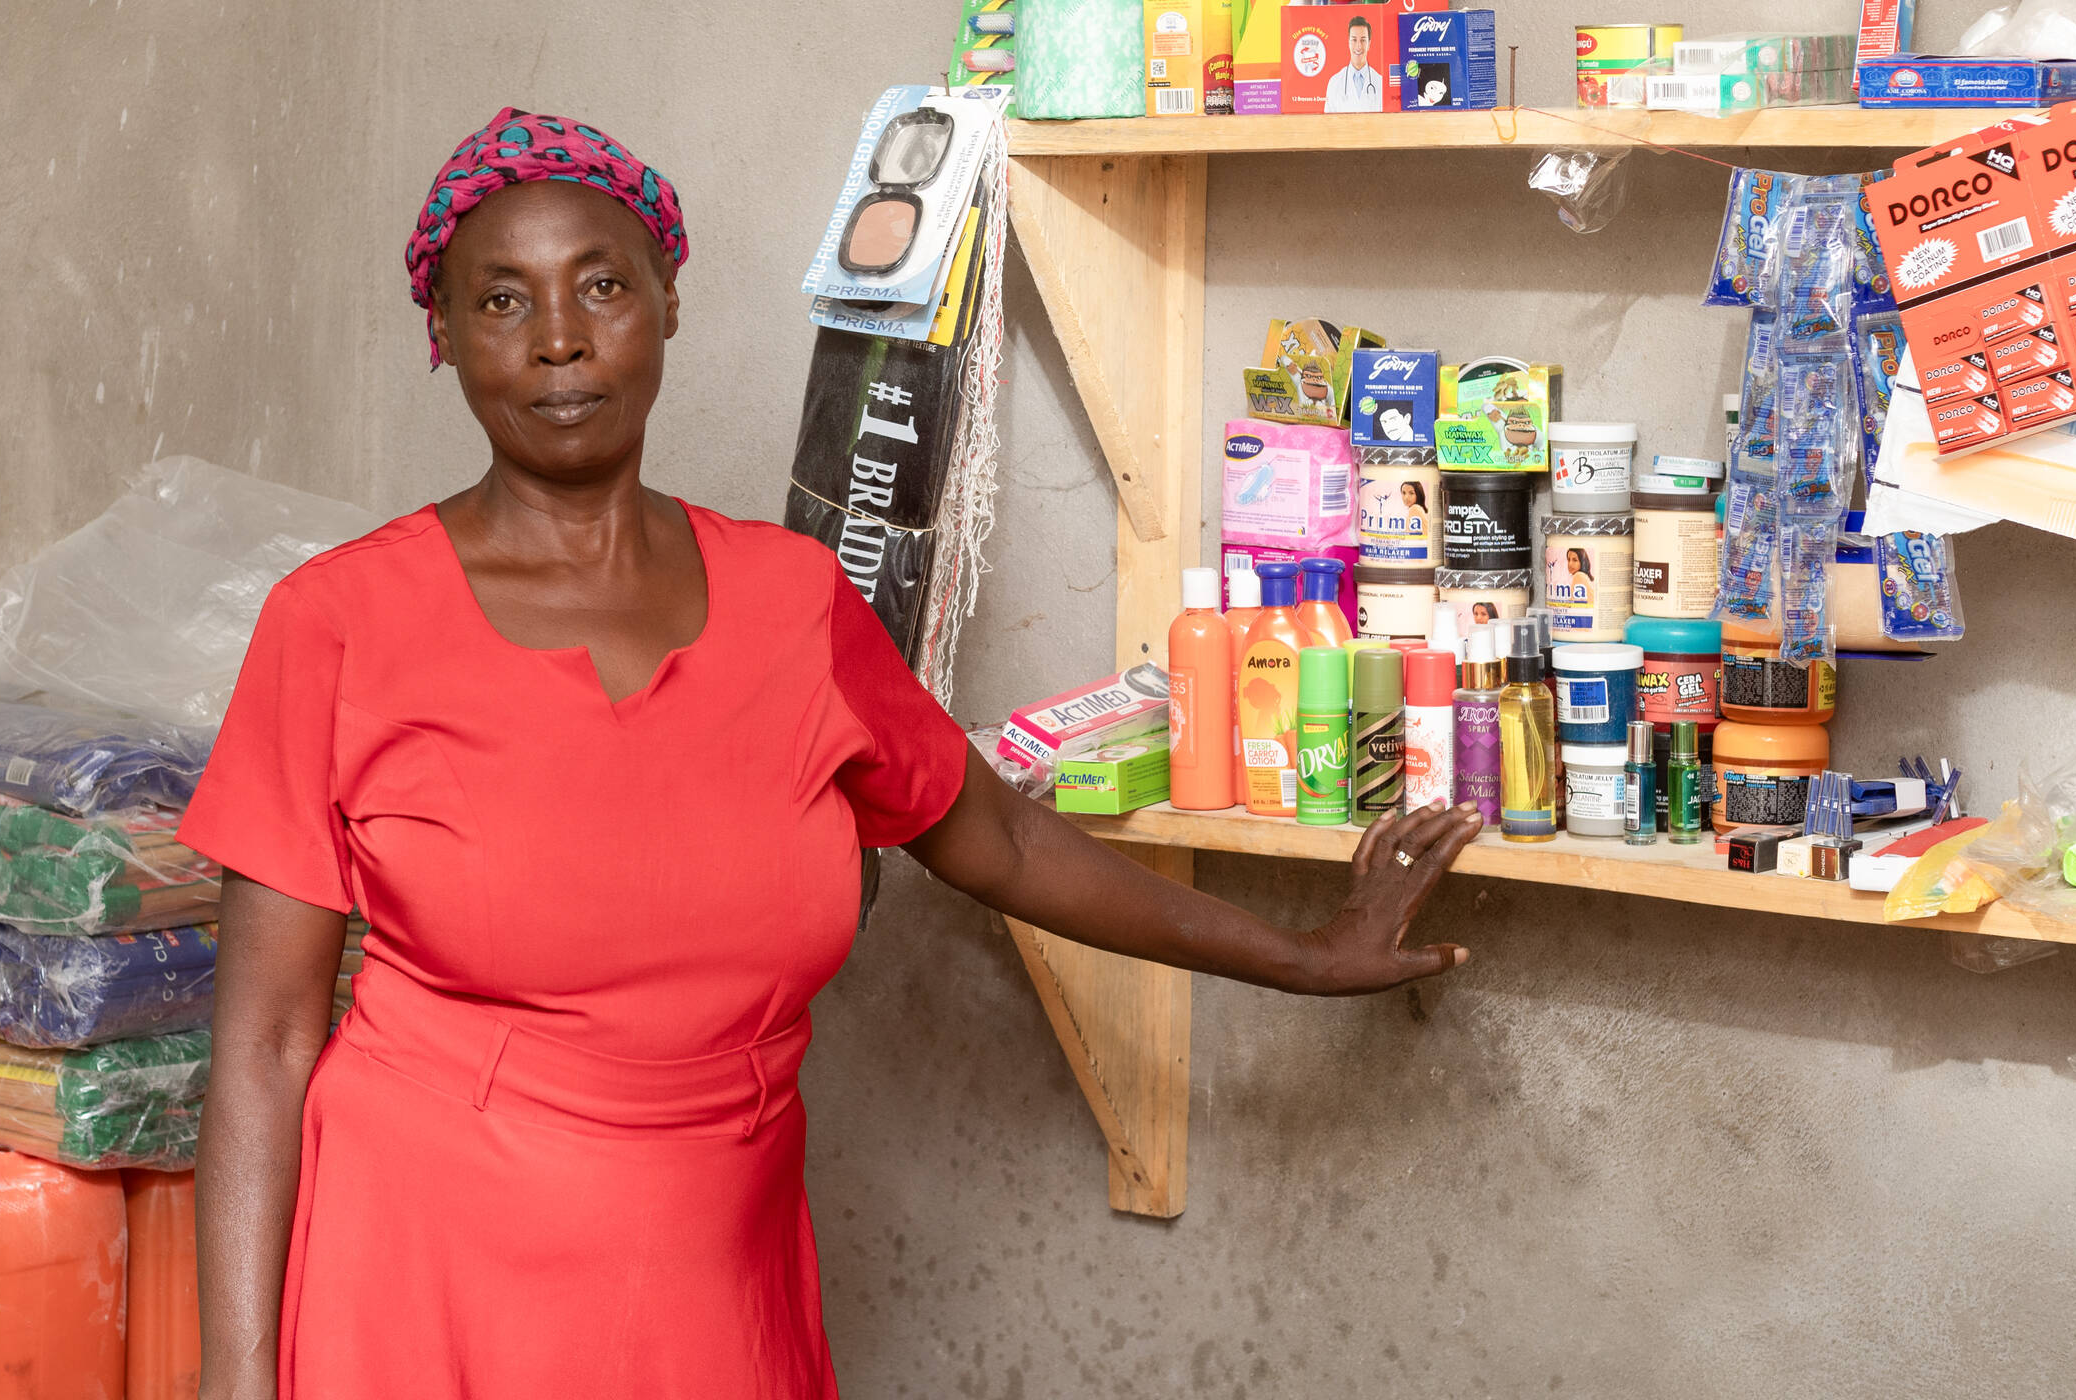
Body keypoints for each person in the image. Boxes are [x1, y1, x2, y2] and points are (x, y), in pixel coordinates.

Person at [183, 107, 1485, 1400]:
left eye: (601, 285)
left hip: (717, 1280)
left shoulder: (794, 605)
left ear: (668, 301)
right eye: (501, 300)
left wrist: (1304, 955)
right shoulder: (342, 622)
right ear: (445, 333)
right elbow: (268, 1041)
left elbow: (1002, 839)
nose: (559, 338)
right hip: (428, 1271)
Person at [1326, 17, 1386, 113]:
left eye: (1363, 40)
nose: (1358, 46)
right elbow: (1327, 120)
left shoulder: (1380, 83)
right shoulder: (1334, 82)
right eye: (1354, 40)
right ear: (1348, 42)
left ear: (1369, 44)